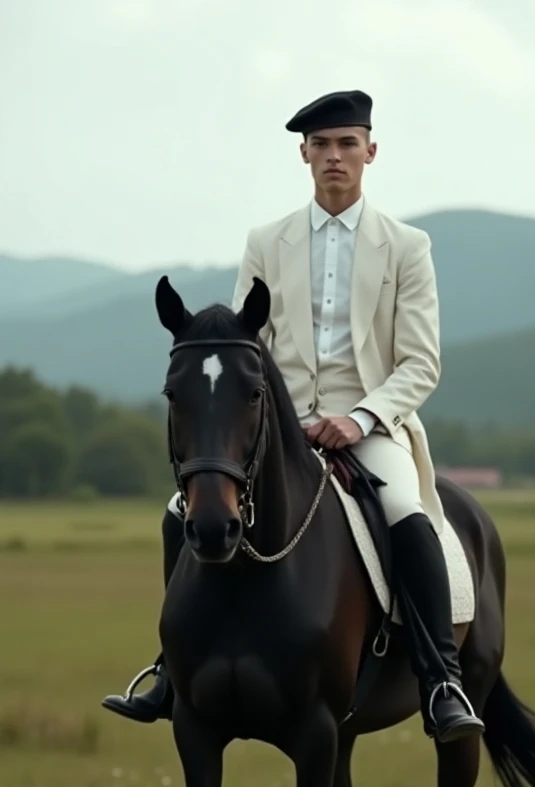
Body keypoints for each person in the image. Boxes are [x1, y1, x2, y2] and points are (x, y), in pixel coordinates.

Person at [101, 89, 484, 743]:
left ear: (370, 151)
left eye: (347, 143)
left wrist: (359, 418)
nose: (334, 156)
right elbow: (243, 347)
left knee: (409, 517)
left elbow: (420, 363)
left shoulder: (407, 247)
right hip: (275, 429)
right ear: (304, 154)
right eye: (322, 145)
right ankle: (172, 665)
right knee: (179, 513)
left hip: (369, 429)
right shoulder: (265, 242)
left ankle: (440, 677)